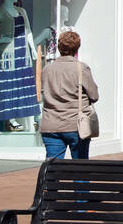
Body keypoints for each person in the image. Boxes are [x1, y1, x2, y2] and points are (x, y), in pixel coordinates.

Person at [39, 30, 99, 159]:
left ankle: (51, 180)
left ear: (59, 47)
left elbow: (44, 91)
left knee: (53, 168)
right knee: (80, 168)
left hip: (51, 123)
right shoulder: (81, 68)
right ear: (77, 48)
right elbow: (94, 96)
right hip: (76, 124)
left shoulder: (47, 69)